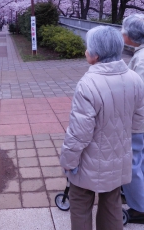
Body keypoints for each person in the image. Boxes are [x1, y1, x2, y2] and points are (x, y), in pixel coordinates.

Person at [60, 26, 144, 230]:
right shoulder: (134, 78)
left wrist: (68, 160)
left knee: (80, 203)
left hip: (88, 161)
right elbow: (139, 120)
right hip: (119, 156)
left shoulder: (88, 84)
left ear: (95, 56)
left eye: (88, 48)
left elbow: (79, 132)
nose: (86, 52)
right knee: (112, 203)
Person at [121, 14, 144, 224]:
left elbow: (138, 92)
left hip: (139, 121)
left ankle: (139, 208)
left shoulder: (142, 59)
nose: (122, 33)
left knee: (132, 163)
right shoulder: (140, 54)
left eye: (124, 31)